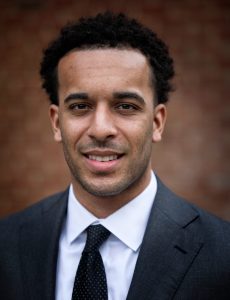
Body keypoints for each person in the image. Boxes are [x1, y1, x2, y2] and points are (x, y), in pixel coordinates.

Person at [0, 11, 230, 300]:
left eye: (125, 106)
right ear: (57, 123)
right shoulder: (6, 243)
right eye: (80, 106)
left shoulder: (223, 255)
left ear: (157, 123)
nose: (100, 129)